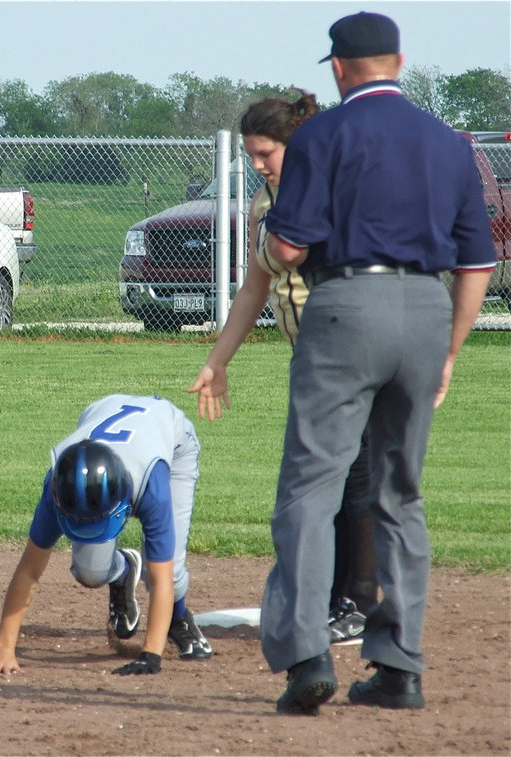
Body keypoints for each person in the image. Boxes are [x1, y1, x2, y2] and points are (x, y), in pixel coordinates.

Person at [259, 12, 495, 714]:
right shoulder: (450, 142)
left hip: (346, 304)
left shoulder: (323, 133)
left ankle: (307, 658)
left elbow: (292, 247)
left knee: (312, 483)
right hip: (426, 306)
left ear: (338, 68)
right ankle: (400, 668)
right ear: (398, 60)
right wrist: (450, 347)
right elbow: (477, 261)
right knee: (401, 491)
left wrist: (269, 253)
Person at [188, 91, 378, 644]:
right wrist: (217, 361)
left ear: (299, 145)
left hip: (353, 347)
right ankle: (337, 599)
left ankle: (360, 602)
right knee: (332, 476)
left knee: (353, 473)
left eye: (266, 152)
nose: (257, 163)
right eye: (251, 154)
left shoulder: (334, 188)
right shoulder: (264, 201)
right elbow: (256, 284)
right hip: (312, 356)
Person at [0, 393, 212, 677]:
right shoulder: (58, 485)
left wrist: (150, 655)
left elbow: (161, 579)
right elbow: (29, 570)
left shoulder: (150, 484)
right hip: (103, 413)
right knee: (90, 572)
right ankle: (123, 572)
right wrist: (5, 648)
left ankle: (178, 619)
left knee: (174, 573)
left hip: (173, 442)